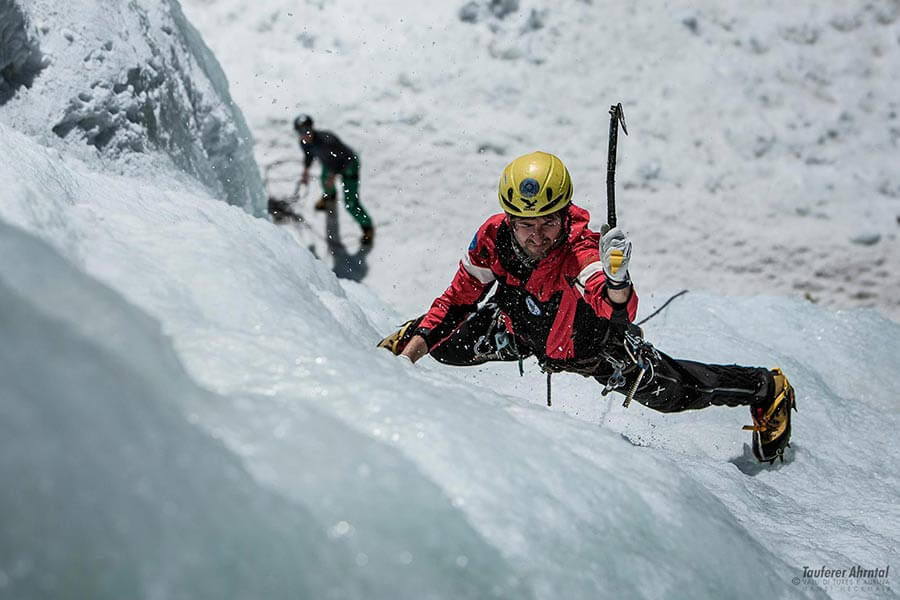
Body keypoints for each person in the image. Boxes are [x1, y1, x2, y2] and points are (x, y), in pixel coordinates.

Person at [377, 151, 796, 464]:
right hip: (517, 329)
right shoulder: (493, 237)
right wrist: (410, 355)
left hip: (595, 350)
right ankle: (417, 332)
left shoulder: (581, 250)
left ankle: (764, 387)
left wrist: (617, 283)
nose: (537, 236)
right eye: (525, 224)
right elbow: (459, 297)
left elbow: (618, 306)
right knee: (445, 343)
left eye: (547, 222)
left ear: (564, 215)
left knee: (678, 394)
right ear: (509, 219)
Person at [294, 114, 375, 245]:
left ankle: (367, 227)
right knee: (324, 182)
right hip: (330, 165)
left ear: (312, 128)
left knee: (351, 203)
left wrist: (333, 175)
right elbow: (308, 155)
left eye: (307, 130)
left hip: (349, 166)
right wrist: (306, 171)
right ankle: (330, 196)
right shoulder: (304, 143)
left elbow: (345, 159)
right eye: (300, 132)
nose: (305, 135)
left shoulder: (327, 140)